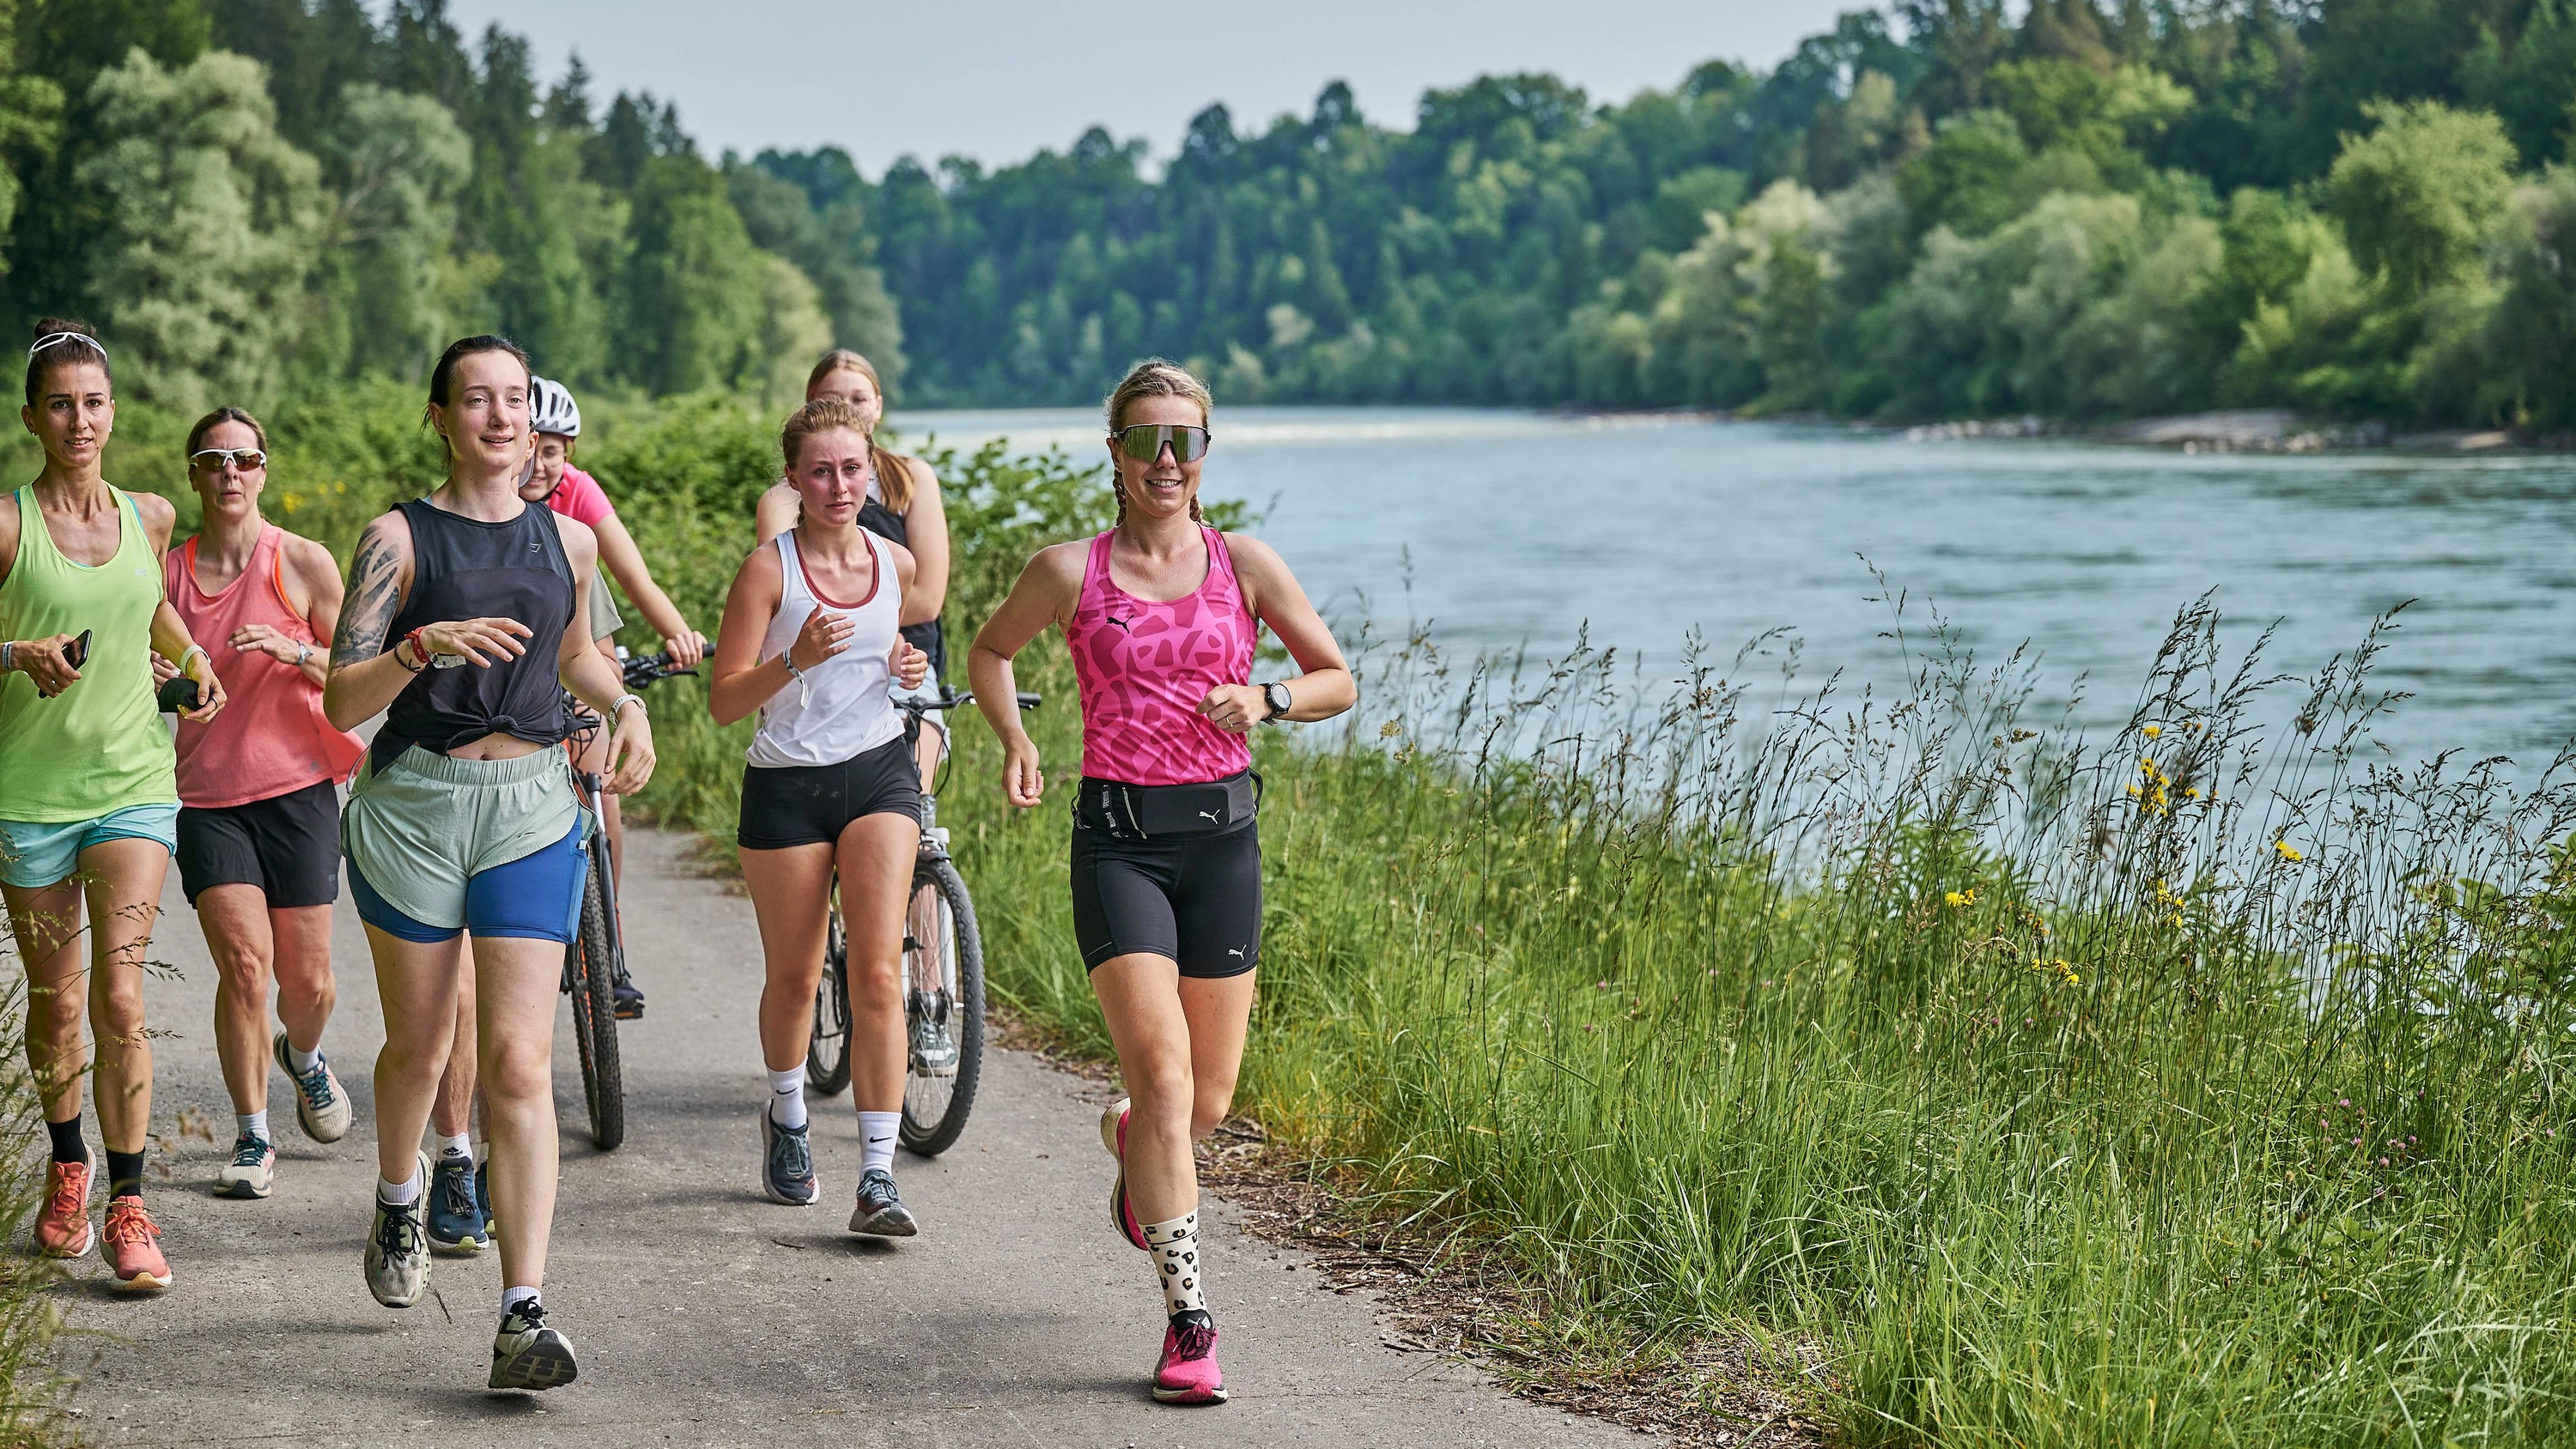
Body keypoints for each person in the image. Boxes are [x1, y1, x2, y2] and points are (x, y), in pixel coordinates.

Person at [966, 359, 1355, 1405]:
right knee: (1168, 1081)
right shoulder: (1068, 571)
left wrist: (1270, 699)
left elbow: (1338, 679)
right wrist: (1014, 736)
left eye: (1186, 440)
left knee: (1205, 1101)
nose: (1168, 459)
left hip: (1224, 842)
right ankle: (1190, 1322)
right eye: (1147, 441)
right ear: (1116, 455)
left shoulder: (1246, 565)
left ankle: (1134, 1146)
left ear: (1204, 453)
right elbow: (991, 648)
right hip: (1120, 845)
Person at [325, 334, 654, 1391]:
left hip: (531, 807)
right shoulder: (398, 537)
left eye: (515, 399)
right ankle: (395, 1199)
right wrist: (422, 647)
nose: (501, 417)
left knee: (520, 1062)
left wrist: (625, 702)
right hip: (417, 802)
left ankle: (523, 1310)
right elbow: (340, 700)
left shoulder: (572, 543)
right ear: (442, 415)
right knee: (420, 1051)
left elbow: (573, 655)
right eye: (478, 400)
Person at [0, 318, 226, 1292]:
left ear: (113, 409)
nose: (79, 418)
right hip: (29, 794)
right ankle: (68, 1167)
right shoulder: (7, 524)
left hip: (134, 784)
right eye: (61, 403)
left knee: (121, 995)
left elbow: (149, 606)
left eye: (93, 401)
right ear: (31, 416)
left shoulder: (152, 513)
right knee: (56, 1008)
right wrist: (18, 653)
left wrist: (191, 651)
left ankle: (130, 1203)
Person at [711, 397, 930, 1236]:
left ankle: (878, 1176)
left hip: (878, 770)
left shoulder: (894, 561)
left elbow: (895, 662)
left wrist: (907, 664)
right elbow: (726, 702)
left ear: (872, 469)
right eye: (821, 470)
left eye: (853, 467)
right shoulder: (771, 570)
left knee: (878, 971)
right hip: (789, 782)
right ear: (796, 480)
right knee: (797, 975)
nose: (840, 484)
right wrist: (790, 660)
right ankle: (788, 1111)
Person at [162, 407, 364, 1201]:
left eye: (244, 459)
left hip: (299, 791)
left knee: (306, 984)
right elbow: (146, 673)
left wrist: (297, 651)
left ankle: (304, 1058)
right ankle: (252, 1134)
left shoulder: (303, 563)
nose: (231, 473)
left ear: (264, 470)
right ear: (195, 474)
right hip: (208, 798)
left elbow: (357, 676)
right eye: (214, 460)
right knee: (246, 967)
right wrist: (162, 681)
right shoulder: (167, 577)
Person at [754, 351, 948, 787]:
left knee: (918, 757)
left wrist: (871, 626)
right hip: (811, 649)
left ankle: (922, 821)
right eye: (832, 398)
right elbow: (779, 599)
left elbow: (928, 598)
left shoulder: (913, 479)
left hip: (905, 648)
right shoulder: (779, 498)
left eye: (858, 399)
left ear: (877, 406)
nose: (847, 409)